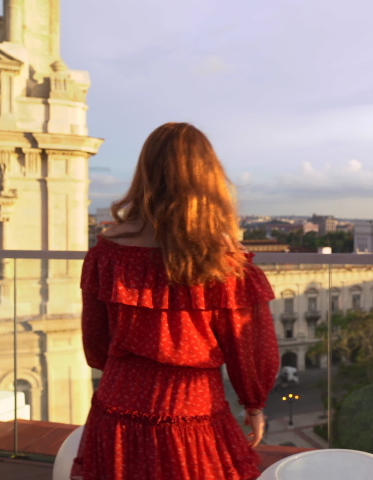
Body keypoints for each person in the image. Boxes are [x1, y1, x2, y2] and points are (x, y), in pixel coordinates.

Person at [72, 123, 280, 480]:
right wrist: (254, 403)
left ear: (145, 172)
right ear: (209, 178)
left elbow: (96, 341)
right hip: (190, 411)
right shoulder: (223, 261)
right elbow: (250, 347)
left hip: (117, 403)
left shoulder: (107, 250)